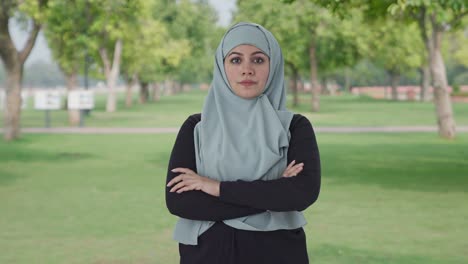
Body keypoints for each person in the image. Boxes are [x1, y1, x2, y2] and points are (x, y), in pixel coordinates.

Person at [166, 22, 321, 264]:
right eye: (236, 60)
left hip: (278, 254)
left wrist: (215, 187)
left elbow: (301, 194)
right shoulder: (196, 127)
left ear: (274, 65)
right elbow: (181, 201)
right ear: (222, 66)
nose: (247, 70)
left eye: (258, 60)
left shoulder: (294, 127)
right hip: (208, 255)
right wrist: (272, 193)